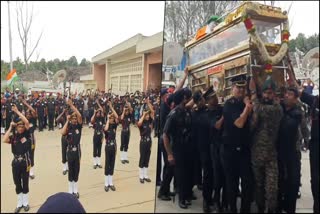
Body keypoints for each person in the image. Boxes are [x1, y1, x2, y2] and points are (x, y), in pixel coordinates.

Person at [249, 76, 283, 213]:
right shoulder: (259, 107)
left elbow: (259, 109)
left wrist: (252, 93)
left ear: (274, 94)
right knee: (258, 186)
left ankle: (271, 210)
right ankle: (261, 209)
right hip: (256, 154)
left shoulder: (276, 109)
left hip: (270, 156)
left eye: (270, 93)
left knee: (271, 188)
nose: (267, 95)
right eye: (265, 92)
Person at [222, 75, 253, 213]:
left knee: (247, 183)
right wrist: (247, 107)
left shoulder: (248, 102)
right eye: (237, 87)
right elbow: (239, 123)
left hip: (245, 150)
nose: (240, 90)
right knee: (232, 184)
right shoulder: (230, 104)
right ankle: (232, 209)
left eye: (242, 87)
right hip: (231, 151)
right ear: (232, 88)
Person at [163, 88, 193, 209]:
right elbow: (165, 134)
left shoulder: (186, 111)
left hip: (187, 148)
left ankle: (186, 196)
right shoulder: (174, 114)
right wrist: (169, 154)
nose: (190, 100)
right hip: (177, 148)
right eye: (188, 97)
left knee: (186, 174)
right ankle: (181, 199)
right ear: (184, 98)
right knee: (180, 175)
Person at [277, 87, 302, 213]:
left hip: (292, 152)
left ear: (296, 99)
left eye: (290, 94)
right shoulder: (278, 107)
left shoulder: (297, 112)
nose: (287, 96)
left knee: (293, 182)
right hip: (277, 152)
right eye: (286, 93)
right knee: (279, 182)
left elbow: (289, 126)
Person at [2, 104, 31, 213]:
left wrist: (17, 112)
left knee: (25, 182)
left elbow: (27, 122)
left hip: (25, 162)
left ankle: (26, 203)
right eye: (18, 126)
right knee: (17, 183)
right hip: (15, 162)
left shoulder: (27, 134)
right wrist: (10, 127)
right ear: (16, 127)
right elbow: (4, 140)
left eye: (22, 126)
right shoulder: (14, 137)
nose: (20, 128)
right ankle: (19, 204)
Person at [191, 89, 214, 213]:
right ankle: (206, 200)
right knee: (207, 174)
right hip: (202, 148)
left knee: (210, 174)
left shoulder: (205, 111)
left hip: (209, 147)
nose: (203, 101)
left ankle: (210, 199)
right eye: (200, 100)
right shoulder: (197, 113)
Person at [204, 86, 226, 212]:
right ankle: (209, 201)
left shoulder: (221, 109)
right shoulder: (208, 113)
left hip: (223, 145)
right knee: (211, 176)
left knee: (222, 175)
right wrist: (225, 116)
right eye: (212, 98)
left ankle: (220, 200)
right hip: (212, 147)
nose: (216, 99)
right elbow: (217, 126)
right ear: (208, 101)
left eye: (215, 96)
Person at [61, 99, 83, 198]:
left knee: (76, 170)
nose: (74, 120)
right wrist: (67, 120)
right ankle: (70, 191)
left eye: (75, 118)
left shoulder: (78, 126)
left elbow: (80, 116)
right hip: (69, 151)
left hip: (77, 150)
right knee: (70, 170)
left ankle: (76, 190)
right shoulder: (68, 127)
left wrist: (72, 105)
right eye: (73, 118)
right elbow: (62, 132)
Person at [137, 98, 154, 184]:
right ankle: (141, 176)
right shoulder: (142, 123)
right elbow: (139, 124)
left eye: (148, 115)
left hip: (149, 141)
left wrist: (148, 103)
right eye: (146, 115)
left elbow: (153, 112)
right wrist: (143, 115)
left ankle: (145, 175)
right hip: (143, 142)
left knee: (147, 158)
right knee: (142, 158)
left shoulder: (149, 121)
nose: (148, 116)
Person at [103, 102, 119, 192]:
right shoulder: (107, 126)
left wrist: (111, 107)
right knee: (107, 163)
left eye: (112, 118)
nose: (112, 119)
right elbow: (105, 130)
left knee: (112, 164)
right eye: (110, 118)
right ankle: (106, 183)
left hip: (114, 146)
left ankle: (111, 182)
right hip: (108, 146)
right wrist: (108, 120)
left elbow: (117, 117)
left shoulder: (114, 126)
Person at [22, 99, 37, 180]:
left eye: (29, 114)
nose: (28, 115)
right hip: (24, 140)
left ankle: (31, 173)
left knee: (31, 156)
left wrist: (26, 104)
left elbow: (33, 111)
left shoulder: (33, 120)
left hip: (31, 140)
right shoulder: (24, 122)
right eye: (26, 114)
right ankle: (25, 171)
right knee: (24, 155)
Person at [56, 109, 69, 175]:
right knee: (64, 151)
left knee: (69, 152)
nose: (66, 113)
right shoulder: (62, 118)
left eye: (67, 111)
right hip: (64, 137)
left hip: (70, 137)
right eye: (66, 112)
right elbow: (57, 119)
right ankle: (64, 168)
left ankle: (68, 167)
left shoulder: (71, 118)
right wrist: (62, 112)